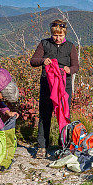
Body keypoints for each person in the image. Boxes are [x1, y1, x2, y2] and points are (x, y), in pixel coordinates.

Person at [30, 19, 80, 159]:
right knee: (45, 114)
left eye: (60, 36)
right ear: (51, 34)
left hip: (65, 86)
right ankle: (42, 146)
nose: (58, 38)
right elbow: (33, 61)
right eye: (55, 35)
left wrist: (69, 69)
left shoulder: (70, 46)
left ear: (65, 34)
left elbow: (76, 66)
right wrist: (42, 61)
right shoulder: (44, 44)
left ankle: (62, 145)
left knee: (64, 114)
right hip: (47, 84)